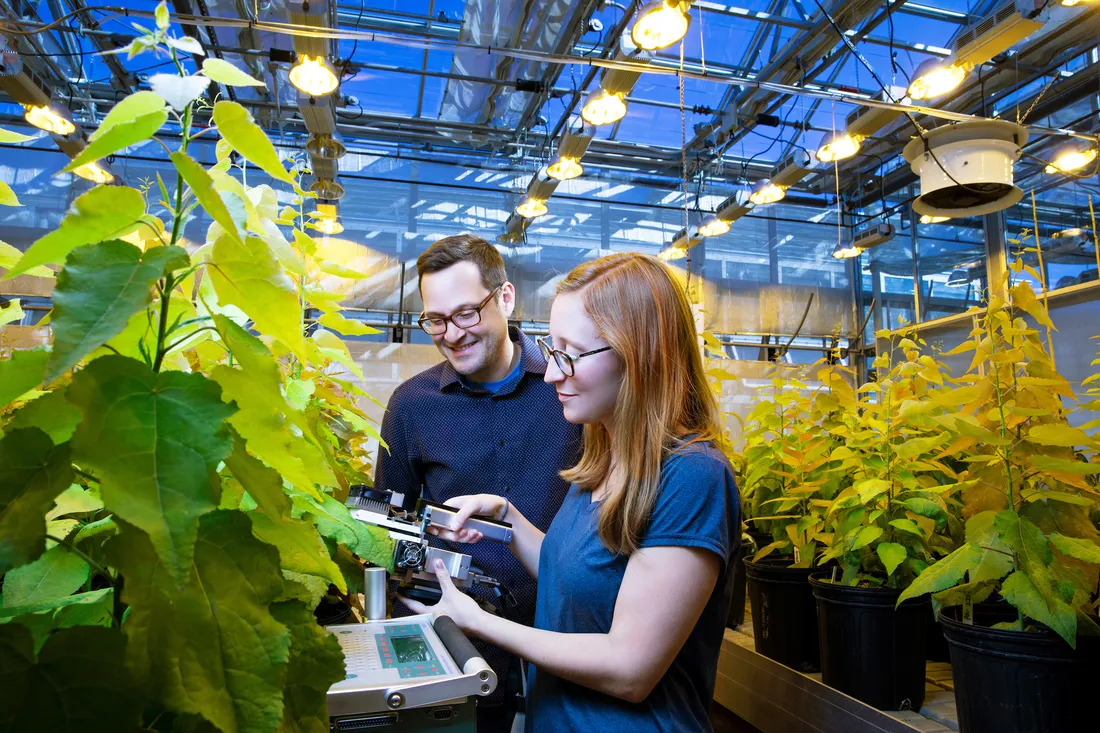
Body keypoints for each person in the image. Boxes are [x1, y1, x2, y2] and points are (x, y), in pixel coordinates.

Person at [404, 252, 741, 732]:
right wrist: (507, 517)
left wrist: (478, 622)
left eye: (569, 354)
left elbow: (630, 669)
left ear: (639, 355)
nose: (550, 373)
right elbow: (574, 577)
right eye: (550, 347)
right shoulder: (606, 459)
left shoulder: (692, 477)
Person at [374, 234, 582, 732]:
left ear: (505, 298)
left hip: (565, 636)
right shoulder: (412, 405)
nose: (451, 333)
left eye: (466, 313)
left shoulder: (571, 390)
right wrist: (402, 617)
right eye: (436, 320)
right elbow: (389, 528)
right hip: (458, 645)